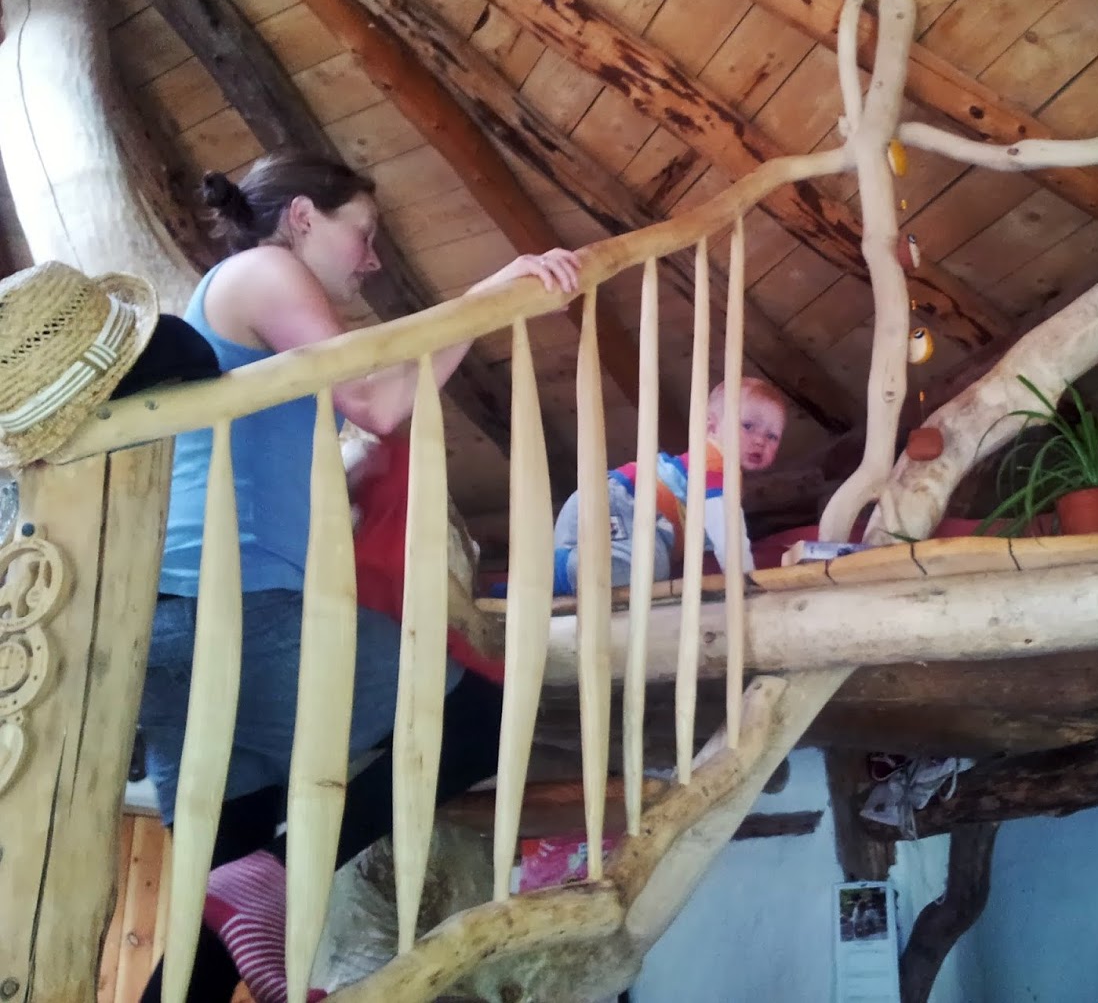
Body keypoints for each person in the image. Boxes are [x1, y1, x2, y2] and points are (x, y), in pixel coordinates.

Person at [136, 150, 580, 1001]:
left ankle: (259, 883)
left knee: (213, 933)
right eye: (364, 233)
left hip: (181, 626)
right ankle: (275, 873)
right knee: (479, 717)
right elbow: (376, 399)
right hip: (234, 612)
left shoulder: (244, 310)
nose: (371, 260)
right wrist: (490, 295)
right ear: (302, 217)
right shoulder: (263, 268)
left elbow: (363, 417)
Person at [549, 376, 787, 593]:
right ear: (711, 426)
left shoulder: (719, 474)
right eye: (748, 426)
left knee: (645, 564)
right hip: (623, 501)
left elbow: (707, 543)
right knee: (645, 566)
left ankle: (553, 569)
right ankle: (552, 576)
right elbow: (727, 531)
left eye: (772, 436)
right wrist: (744, 577)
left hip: (608, 507)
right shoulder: (714, 462)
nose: (760, 440)